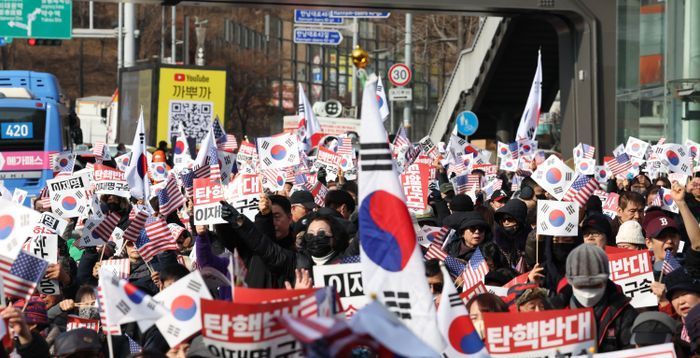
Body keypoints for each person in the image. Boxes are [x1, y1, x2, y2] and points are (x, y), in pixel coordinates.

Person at [560, 244, 638, 352]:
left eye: (595, 285)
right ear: (570, 281)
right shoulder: (553, 312)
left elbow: (632, 350)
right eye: (581, 285)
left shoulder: (624, 313)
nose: (587, 293)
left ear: (606, 280)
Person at [493, 198, 530, 269]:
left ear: (520, 220)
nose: (506, 222)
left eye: (509, 219)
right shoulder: (497, 242)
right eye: (503, 220)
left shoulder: (530, 239)